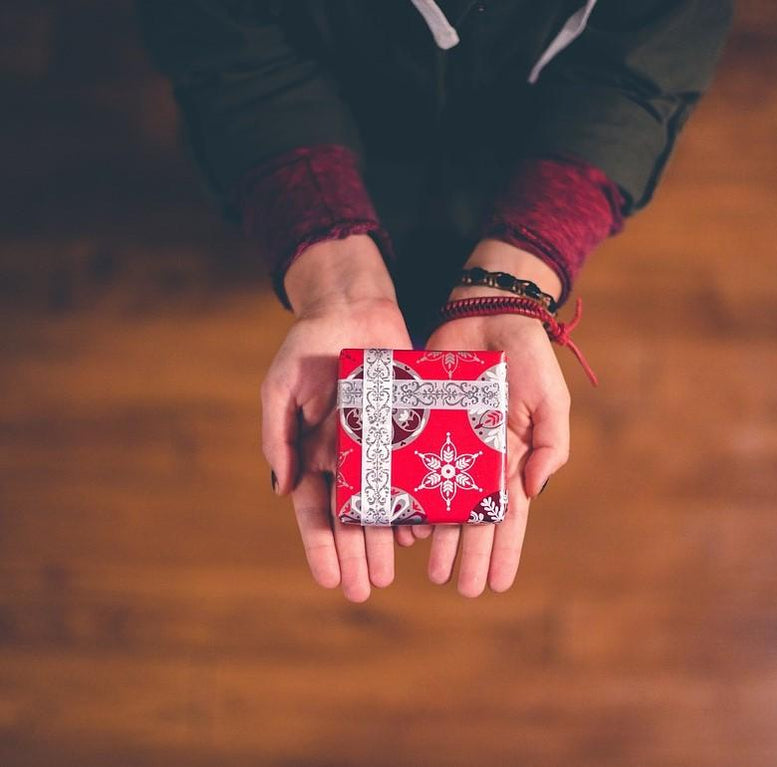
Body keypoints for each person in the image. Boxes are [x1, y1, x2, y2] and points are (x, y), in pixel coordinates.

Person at [139, 0, 732, 601]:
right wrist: (328, 267)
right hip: (317, 137)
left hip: (520, 155)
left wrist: (523, 260)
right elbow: (223, 46)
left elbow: (648, 65)